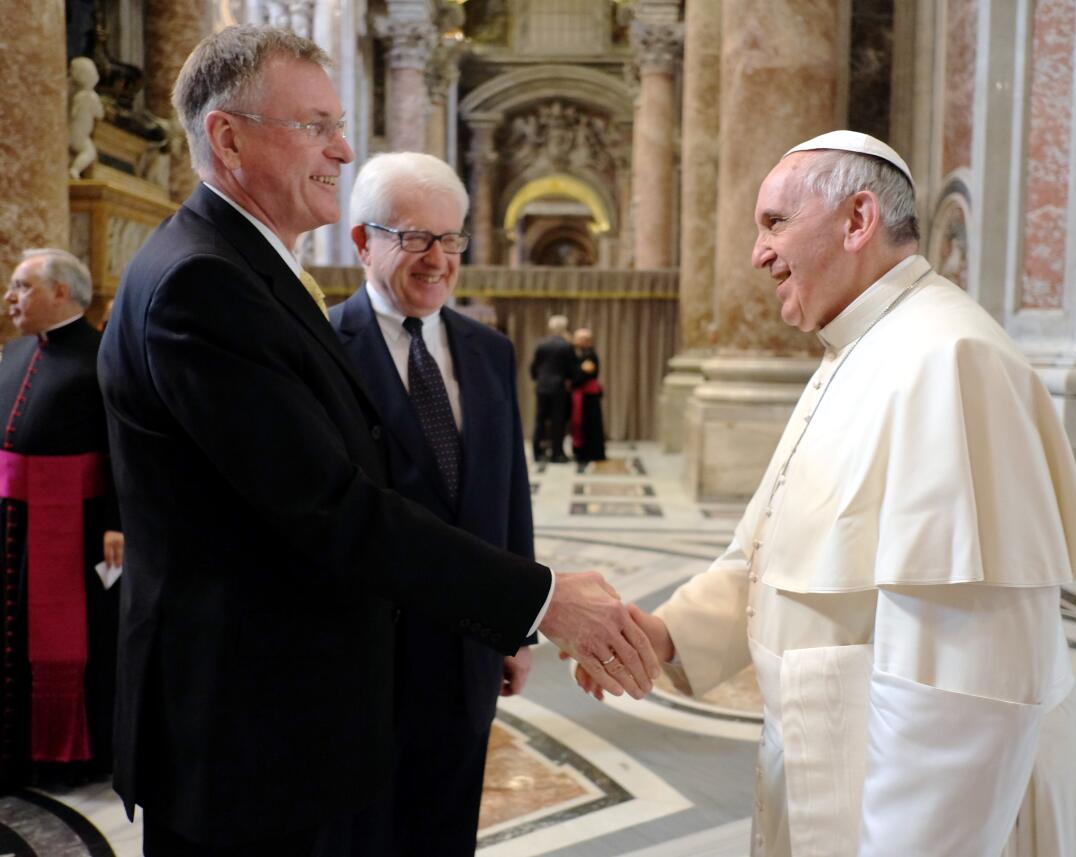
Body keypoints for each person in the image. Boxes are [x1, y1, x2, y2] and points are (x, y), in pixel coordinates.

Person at [96, 26, 657, 857]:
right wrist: (540, 598)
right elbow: (332, 508)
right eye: (316, 125)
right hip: (244, 730)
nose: (344, 148)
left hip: (282, 719)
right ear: (227, 136)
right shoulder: (201, 281)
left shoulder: (243, 266)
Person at [581, 131, 1076, 856]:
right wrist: (664, 632)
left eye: (774, 223)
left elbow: (958, 696)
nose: (758, 254)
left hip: (918, 810)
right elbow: (768, 554)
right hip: (833, 766)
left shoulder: (948, 359)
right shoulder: (861, 345)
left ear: (857, 221)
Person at [328, 151, 536, 855]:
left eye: (451, 240)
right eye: (415, 238)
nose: (438, 260)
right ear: (363, 241)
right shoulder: (322, 346)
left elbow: (509, 493)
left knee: (447, 832)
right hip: (364, 662)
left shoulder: (489, 350)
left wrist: (519, 624)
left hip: (466, 649)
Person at [0, 249, 122, 791]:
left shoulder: (103, 357)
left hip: (73, 528)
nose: (10, 298)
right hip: (10, 520)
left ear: (61, 293)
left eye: (22, 287)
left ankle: (62, 755)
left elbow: (125, 448)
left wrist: (119, 522)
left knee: (63, 641)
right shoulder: (16, 350)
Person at [529, 314, 574, 462]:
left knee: (540, 420)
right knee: (558, 421)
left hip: (542, 387)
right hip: (558, 388)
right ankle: (557, 453)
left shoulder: (542, 344)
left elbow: (534, 367)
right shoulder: (566, 346)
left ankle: (537, 452)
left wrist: (539, 379)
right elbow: (571, 369)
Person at [570, 327, 605, 465]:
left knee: (589, 425)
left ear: (585, 341)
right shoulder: (584, 353)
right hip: (585, 395)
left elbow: (582, 375)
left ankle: (589, 452)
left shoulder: (589, 355)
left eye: (577, 339)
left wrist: (571, 381)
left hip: (588, 396)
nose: (575, 341)